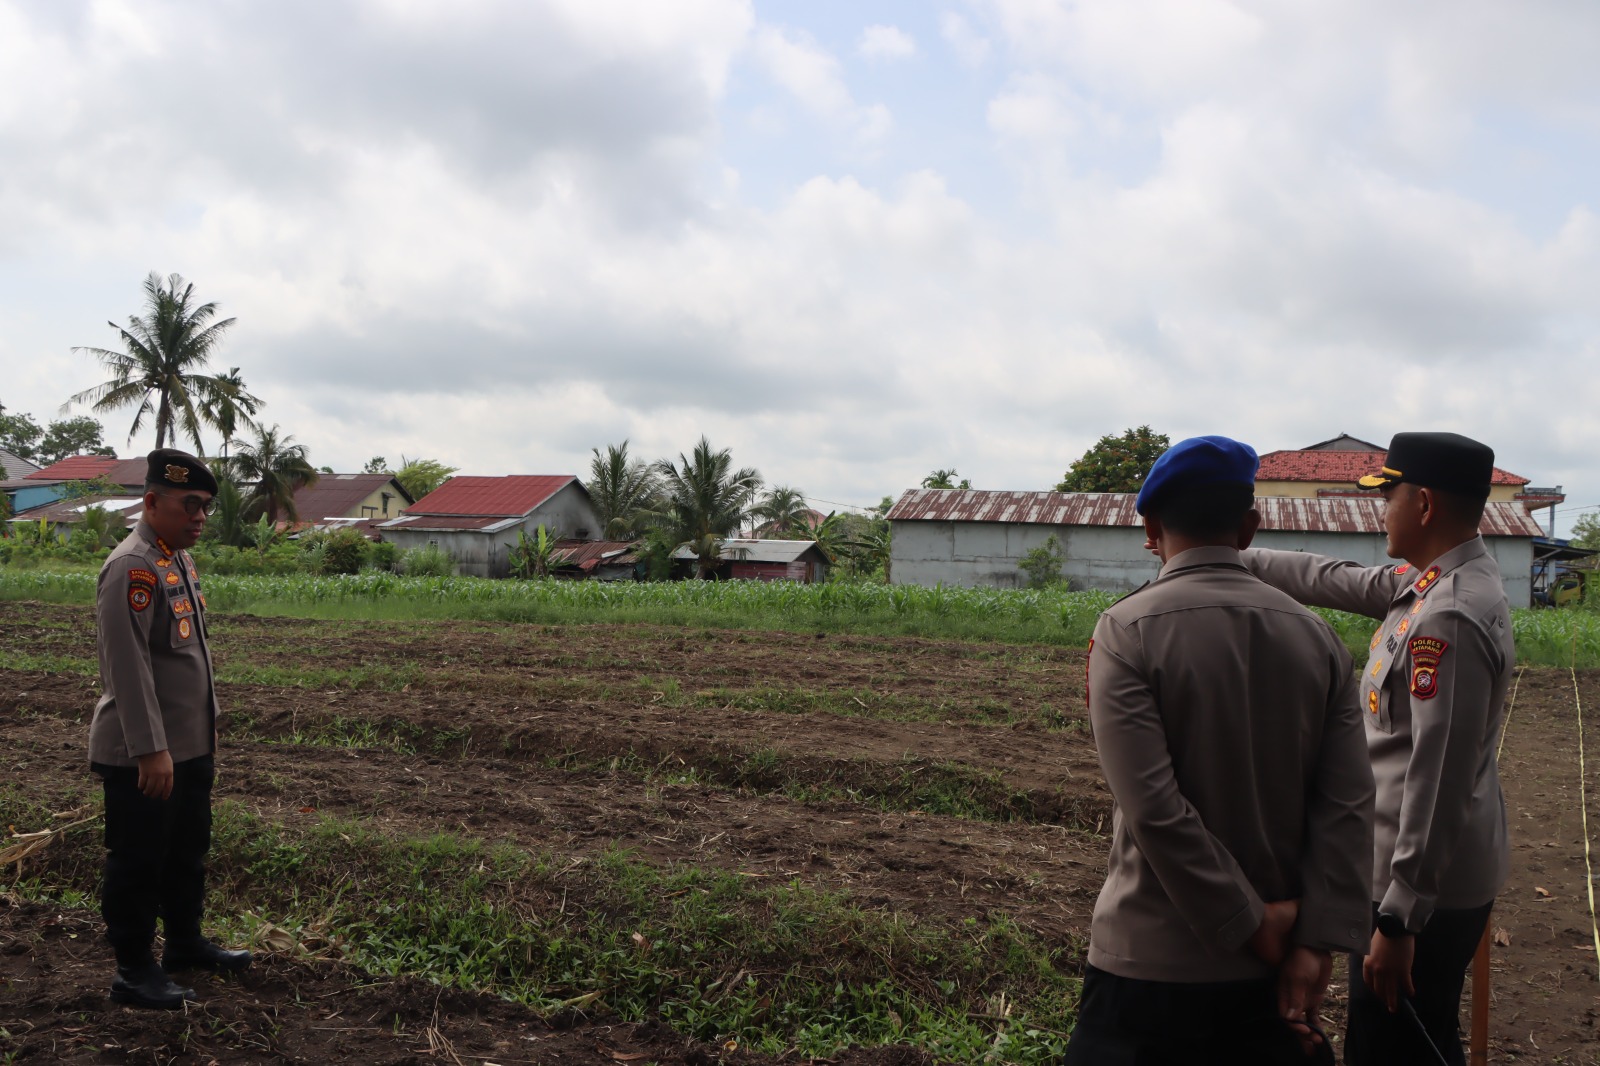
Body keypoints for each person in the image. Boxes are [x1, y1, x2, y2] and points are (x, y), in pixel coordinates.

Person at [1065, 436, 1375, 1065]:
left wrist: (1251, 924)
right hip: (1275, 974)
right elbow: (1347, 801)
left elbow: (1155, 809)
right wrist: (1313, 941)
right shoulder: (1320, 639)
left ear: (1151, 531)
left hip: (1153, 965)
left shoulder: (1126, 631)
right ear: (1249, 528)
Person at [1242, 431, 1512, 1066]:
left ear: (1424, 505)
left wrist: (1399, 920)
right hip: (1421, 874)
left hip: (1419, 887)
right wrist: (1236, 556)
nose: (1380, 509)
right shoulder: (1439, 581)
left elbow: (1437, 778)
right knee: (1406, 1036)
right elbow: (1335, 577)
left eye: (1389, 496)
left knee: (1393, 1046)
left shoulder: (1449, 615)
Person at [92, 448, 251, 1010]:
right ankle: (134, 971)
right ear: (151, 501)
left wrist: (199, 737)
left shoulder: (175, 559)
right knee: (139, 860)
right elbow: (127, 667)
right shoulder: (131, 566)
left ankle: (184, 943)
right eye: (190, 505)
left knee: (187, 852)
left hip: (188, 746)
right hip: (145, 753)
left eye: (205, 506)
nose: (200, 516)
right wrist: (151, 749)